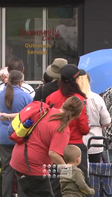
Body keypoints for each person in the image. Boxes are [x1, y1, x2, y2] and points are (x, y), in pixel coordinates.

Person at [9, 96, 84, 197]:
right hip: (32, 167)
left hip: (19, 158)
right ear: (79, 114)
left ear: (63, 104)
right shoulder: (62, 129)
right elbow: (53, 153)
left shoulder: (47, 111)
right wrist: (67, 171)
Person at [46, 64, 90, 197]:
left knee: (55, 185)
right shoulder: (80, 100)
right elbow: (84, 128)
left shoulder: (51, 97)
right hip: (75, 147)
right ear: (76, 80)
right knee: (77, 184)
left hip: (56, 149)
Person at [0, 70, 33, 197]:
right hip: (20, 136)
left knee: (6, 169)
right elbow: (29, 116)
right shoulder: (26, 96)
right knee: (21, 169)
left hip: (4, 135)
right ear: (21, 81)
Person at [76, 73, 111, 163]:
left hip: (76, 141)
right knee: (95, 170)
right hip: (96, 141)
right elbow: (107, 121)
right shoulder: (97, 98)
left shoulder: (72, 98)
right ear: (89, 82)